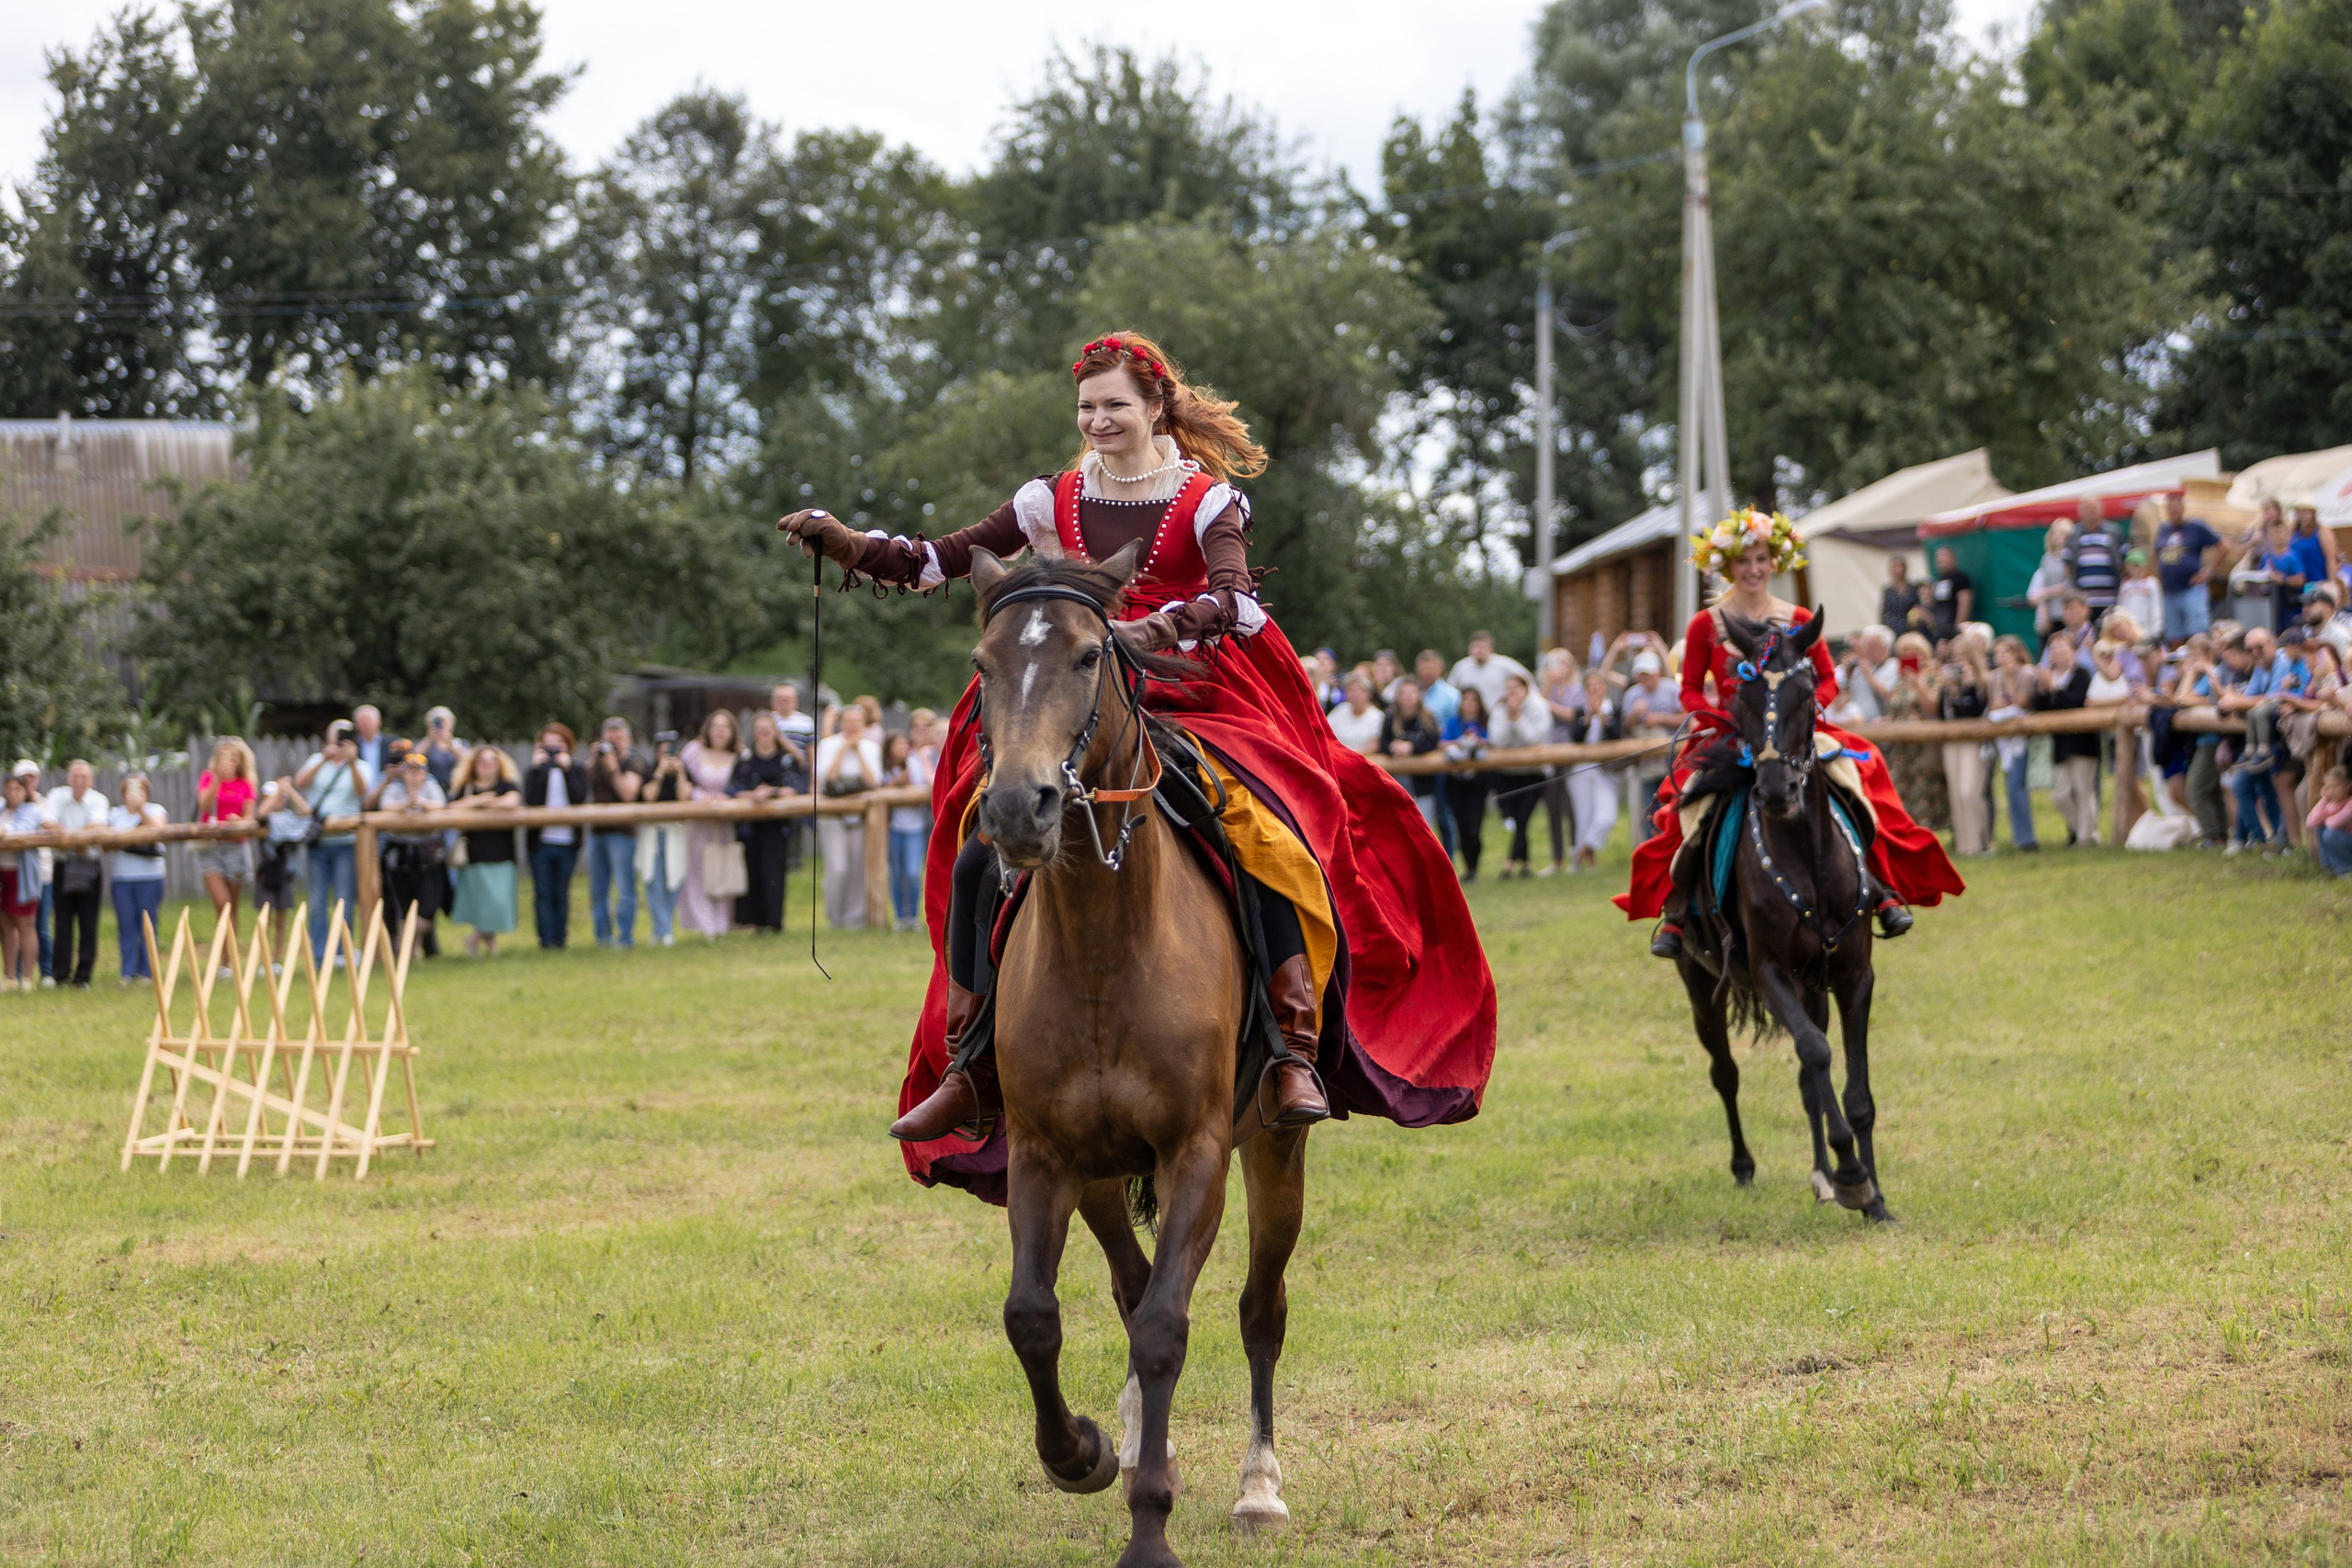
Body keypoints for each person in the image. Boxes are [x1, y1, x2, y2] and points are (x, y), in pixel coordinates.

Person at [784, 328, 1490, 1156]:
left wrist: (1158, 627)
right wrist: (849, 544)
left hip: (1194, 694)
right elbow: (939, 560)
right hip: (1075, 696)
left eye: (1115, 404)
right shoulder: (1051, 497)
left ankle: (1292, 1047)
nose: (1098, 420)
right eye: (1087, 407)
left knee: (1262, 832)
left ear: (1156, 406)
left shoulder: (1206, 500)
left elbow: (1238, 601)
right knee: (981, 849)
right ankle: (970, 1067)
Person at [1626, 509, 1962, 956]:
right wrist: (1718, 720)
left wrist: (1808, 709)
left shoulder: (1800, 616)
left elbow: (1826, 677)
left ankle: (1881, 892)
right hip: (1727, 737)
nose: (1752, 569)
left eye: (1761, 559)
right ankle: (1679, 916)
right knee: (1687, 808)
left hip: (1794, 735)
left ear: (1774, 562)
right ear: (1728, 566)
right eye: (1743, 561)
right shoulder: (1705, 624)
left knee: (1857, 781)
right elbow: (1688, 689)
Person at [295, 721, 370, 961]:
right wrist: (322, 760)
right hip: (318, 843)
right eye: (334, 739)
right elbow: (300, 782)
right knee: (317, 902)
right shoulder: (317, 761)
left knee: (344, 900)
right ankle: (319, 955)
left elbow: (362, 791)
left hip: (345, 843)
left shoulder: (360, 766)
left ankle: (342, 952)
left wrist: (351, 762)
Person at [731, 710, 804, 933]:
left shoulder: (786, 759)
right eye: (760, 731)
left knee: (774, 872)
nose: (764, 735)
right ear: (754, 734)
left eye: (768, 730)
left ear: (775, 733)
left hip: (777, 825)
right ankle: (756, 923)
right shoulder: (745, 759)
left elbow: (797, 787)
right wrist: (753, 795)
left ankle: (775, 922)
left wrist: (772, 792)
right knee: (753, 871)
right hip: (750, 826)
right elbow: (733, 788)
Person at [447, 743, 521, 958]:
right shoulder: (467, 786)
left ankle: (478, 939)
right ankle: (486, 944)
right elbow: (452, 807)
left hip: (502, 851)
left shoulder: (506, 784)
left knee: (498, 901)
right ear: (473, 765)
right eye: (483, 761)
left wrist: (482, 805)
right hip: (475, 853)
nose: (488, 765)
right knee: (483, 902)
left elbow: (512, 802)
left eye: (492, 761)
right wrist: (480, 800)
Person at [813, 702, 881, 929]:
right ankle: (835, 917)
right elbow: (828, 779)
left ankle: (856, 918)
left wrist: (858, 750)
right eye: (848, 721)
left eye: (856, 722)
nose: (852, 726)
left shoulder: (871, 747)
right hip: (833, 815)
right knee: (838, 867)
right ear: (841, 723)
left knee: (857, 866)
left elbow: (873, 781)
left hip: (862, 814)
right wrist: (844, 748)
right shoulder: (828, 745)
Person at [375, 747, 448, 954]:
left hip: (428, 852)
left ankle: (410, 946)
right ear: (404, 772)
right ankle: (408, 952)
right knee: (401, 904)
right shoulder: (395, 787)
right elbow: (385, 807)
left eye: (418, 770)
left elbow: (441, 805)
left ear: (425, 772)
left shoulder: (432, 786)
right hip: (400, 853)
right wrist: (409, 802)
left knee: (428, 906)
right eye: (410, 770)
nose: (415, 774)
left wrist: (420, 802)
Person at [585, 716, 650, 949]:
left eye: (619, 738)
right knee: (597, 889)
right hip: (597, 832)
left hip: (623, 834)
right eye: (609, 740)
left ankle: (625, 938)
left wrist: (612, 766)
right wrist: (595, 760)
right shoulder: (598, 762)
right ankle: (602, 937)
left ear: (628, 739)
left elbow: (628, 794)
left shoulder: (634, 761)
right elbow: (580, 785)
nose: (614, 743)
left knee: (625, 889)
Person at [43, 759, 108, 987]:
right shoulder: (56, 795)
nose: (79, 781)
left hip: (89, 866)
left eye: (84, 777)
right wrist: (78, 840)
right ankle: (60, 974)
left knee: (88, 922)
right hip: (63, 865)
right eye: (75, 777)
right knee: (62, 921)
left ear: (90, 780)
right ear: (68, 779)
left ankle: (83, 977)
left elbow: (98, 826)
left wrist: (67, 839)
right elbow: (47, 822)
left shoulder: (99, 799)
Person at [677, 709, 741, 940]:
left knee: (722, 867)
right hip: (698, 819)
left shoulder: (738, 756)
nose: (720, 732)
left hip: (724, 822)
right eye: (716, 726)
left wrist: (728, 798)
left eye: (725, 727)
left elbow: (742, 785)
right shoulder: (693, 752)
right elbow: (682, 783)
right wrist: (700, 797)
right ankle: (702, 923)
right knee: (697, 870)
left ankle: (722, 922)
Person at [523, 723, 586, 949]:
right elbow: (531, 799)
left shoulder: (577, 769)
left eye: (558, 744)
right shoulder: (535, 771)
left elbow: (579, 798)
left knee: (561, 891)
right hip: (541, 842)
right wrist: (538, 768)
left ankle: (561, 939)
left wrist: (567, 770)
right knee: (543, 892)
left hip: (567, 841)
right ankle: (546, 940)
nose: (553, 749)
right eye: (548, 744)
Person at [2035, 634, 2100, 845]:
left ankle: (2085, 837)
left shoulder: (2082, 674)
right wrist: (2043, 690)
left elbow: (2076, 701)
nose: (2058, 654)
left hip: (2082, 742)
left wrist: (2054, 687)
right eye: (2054, 650)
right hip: (2060, 744)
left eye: (2063, 649)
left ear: (2073, 651)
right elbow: (2041, 709)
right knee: (2060, 794)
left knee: (2083, 790)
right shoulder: (2048, 676)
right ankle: (2080, 829)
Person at [196, 737, 259, 948]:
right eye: (224, 756)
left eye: (234, 757)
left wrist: (238, 821)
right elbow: (204, 807)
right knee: (222, 904)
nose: (229, 761)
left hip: (236, 847)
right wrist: (217, 780)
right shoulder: (207, 778)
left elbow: (250, 818)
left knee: (232, 906)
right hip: (211, 847)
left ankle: (227, 959)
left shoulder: (246, 784)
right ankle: (223, 959)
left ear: (240, 760)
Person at [1489, 671, 1554, 877]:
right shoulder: (1499, 709)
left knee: (1523, 816)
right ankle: (1525, 864)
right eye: (1508, 689)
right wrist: (1509, 718)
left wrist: (1517, 719)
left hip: (1534, 771)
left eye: (1516, 689)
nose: (1512, 694)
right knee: (1516, 817)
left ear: (1526, 689)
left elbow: (1535, 738)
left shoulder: (1538, 706)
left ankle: (1509, 863)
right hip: (1507, 772)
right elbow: (1497, 740)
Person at [106, 773, 169, 981]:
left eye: (140, 789)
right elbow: (106, 844)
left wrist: (141, 809)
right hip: (123, 878)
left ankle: (148, 971)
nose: (135, 794)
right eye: (131, 789)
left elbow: (159, 831)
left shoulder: (156, 810)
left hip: (150, 876)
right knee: (126, 924)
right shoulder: (115, 814)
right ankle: (128, 971)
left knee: (148, 922)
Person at [1563, 670, 1623, 874]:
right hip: (1581, 768)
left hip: (1606, 769)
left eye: (1598, 685)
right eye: (1590, 686)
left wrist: (1604, 719)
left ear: (1605, 687)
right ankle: (1585, 864)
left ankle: (1583, 849)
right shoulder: (1580, 712)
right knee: (1584, 815)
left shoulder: (1614, 710)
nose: (1595, 690)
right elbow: (1575, 738)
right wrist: (1588, 720)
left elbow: (1617, 736)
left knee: (1607, 816)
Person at [1621, 648, 1680, 847]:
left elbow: (1685, 717)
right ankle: (1651, 844)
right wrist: (1634, 715)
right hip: (1646, 761)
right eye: (1641, 675)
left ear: (1657, 672)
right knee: (1649, 806)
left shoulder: (1672, 689)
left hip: (1671, 757)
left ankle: (1670, 843)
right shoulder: (1632, 695)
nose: (1644, 679)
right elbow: (1625, 727)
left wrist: (1660, 718)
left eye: (1647, 674)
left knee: (1670, 803)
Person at [1986, 636, 2041, 852]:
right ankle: (2020, 836)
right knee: (2011, 787)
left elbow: (2021, 701)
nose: (2001, 658)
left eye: (2005, 653)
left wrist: (2009, 683)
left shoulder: (2027, 673)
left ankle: (2026, 839)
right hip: (2002, 738)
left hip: (2023, 737)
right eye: (1998, 653)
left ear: (2016, 653)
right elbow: (1994, 704)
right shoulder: (1993, 677)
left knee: (2015, 787)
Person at [636, 734, 690, 946]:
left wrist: (679, 773)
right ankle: (663, 931)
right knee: (653, 881)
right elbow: (648, 796)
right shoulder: (649, 772)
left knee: (673, 880)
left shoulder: (683, 772)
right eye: (663, 752)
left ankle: (664, 930)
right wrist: (660, 772)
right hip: (652, 832)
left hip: (675, 832)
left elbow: (684, 796)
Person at [253, 774, 311, 964]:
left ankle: (276, 958)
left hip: (284, 873)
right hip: (268, 873)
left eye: (279, 797)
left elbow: (307, 811)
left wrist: (289, 791)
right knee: (265, 917)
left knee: (280, 918)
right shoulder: (266, 819)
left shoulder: (290, 818)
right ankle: (263, 958)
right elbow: (261, 813)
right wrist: (278, 789)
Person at [881, 730, 933, 932]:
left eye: (905, 744)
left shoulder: (914, 763)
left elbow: (923, 788)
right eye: (897, 745)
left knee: (912, 872)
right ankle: (900, 917)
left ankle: (913, 915)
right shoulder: (883, 766)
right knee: (896, 872)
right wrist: (893, 785)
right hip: (892, 827)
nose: (902, 748)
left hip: (914, 827)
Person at [2154, 491, 2222, 644]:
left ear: (2183, 508)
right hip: (2170, 591)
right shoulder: (2163, 529)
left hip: (2192, 589)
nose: (2174, 511)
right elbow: (2155, 551)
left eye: (2176, 508)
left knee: (2197, 634)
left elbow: (2223, 546)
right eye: (2170, 508)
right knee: (2174, 636)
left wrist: (2208, 571)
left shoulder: (2196, 527)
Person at [1442, 686, 1495, 880]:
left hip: (1478, 780)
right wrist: (1460, 742)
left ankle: (1474, 863)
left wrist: (1479, 742)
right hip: (1456, 780)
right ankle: (1469, 868)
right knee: (1461, 825)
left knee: (1474, 826)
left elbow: (1493, 740)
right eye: (1466, 700)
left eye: (1474, 700)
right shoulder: (1454, 722)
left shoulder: (1486, 721)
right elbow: (1442, 742)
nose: (1470, 704)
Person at [2, 771, 48, 990]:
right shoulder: (1, 810)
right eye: (9, 789)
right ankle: (10, 977)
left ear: (25, 791)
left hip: (23, 875)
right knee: (6, 924)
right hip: (3, 873)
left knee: (25, 925)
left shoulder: (32, 810)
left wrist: (4, 831)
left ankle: (28, 978)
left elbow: (22, 832)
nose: (12, 794)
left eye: (17, 789)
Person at [1380, 677, 1443, 831]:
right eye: (1404, 693)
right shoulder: (1390, 718)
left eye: (1412, 693)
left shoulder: (1428, 717)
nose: (1408, 697)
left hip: (1423, 785)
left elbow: (1432, 742)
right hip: (1397, 783)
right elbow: (1383, 744)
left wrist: (1412, 747)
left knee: (1424, 829)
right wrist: (1394, 747)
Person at [1448, 630, 1534, 716]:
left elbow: (1527, 679)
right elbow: (1450, 691)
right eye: (1476, 647)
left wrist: (1530, 702)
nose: (1479, 650)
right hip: (1471, 720)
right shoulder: (1461, 667)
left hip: (1497, 717)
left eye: (1483, 647)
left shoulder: (1504, 665)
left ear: (1491, 649)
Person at [2065, 499, 2125, 620]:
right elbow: (2067, 565)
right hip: (2084, 601)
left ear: (2101, 511)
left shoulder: (2114, 531)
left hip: (2111, 598)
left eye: (2094, 508)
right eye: (2087, 509)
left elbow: (2124, 560)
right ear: (2080, 512)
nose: (2091, 512)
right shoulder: (2073, 534)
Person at [2026, 521, 2075, 638]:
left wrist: (2045, 593)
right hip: (2050, 615)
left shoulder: (2072, 557)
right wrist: (2044, 611)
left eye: (2063, 533)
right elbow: (2042, 585)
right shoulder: (2046, 558)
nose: (2059, 537)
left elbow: (2068, 586)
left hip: (2066, 613)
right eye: (2056, 533)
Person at [1326, 671, 1385, 755]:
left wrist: (1349, 755)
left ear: (1368, 693)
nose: (1354, 694)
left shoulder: (1377, 716)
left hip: (1362, 759)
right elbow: (1325, 732)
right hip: (1335, 756)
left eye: (1357, 690)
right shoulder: (1340, 710)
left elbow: (1373, 746)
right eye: (1349, 691)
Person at [2308, 765, 2352, 877]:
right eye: (2328, 787)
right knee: (2320, 829)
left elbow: (2333, 824)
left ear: (2348, 786)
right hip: (2344, 841)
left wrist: (2325, 817)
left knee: (2329, 834)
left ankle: (2345, 869)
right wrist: (2324, 799)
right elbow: (2310, 822)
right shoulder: (2330, 805)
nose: (2331, 791)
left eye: (2335, 786)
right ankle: (2329, 869)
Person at [2115, 549, 2163, 641]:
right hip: (2128, 629)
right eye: (2132, 566)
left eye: (2137, 565)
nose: (2135, 569)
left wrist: (2156, 629)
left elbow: (2156, 607)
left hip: (2146, 628)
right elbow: (2120, 606)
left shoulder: (2151, 583)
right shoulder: (2125, 584)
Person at [1927, 546, 1973, 640]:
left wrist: (1958, 627)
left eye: (1944, 556)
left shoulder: (1960, 578)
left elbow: (1965, 600)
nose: (1940, 559)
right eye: (1938, 557)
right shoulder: (1937, 579)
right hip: (1939, 629)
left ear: (1953, 558)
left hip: (1953, 628)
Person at [420, 707, 463, 791]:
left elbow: (467, 760)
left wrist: (450, 742)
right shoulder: (425, 744)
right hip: (430, 788)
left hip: (455, 787)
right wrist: (429, 739)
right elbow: (415, 758)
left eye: (444, 723)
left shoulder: (459, 743)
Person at [1880, 554, 1923, 634]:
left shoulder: (1913, 588)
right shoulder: (1888, 590)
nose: (1898, 569)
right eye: (1895, 566)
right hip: (1892, 629)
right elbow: (1884, 611)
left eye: (1900, 566)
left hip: (1910, 628)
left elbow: (1918, 607)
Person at [350, 704, 389, 780]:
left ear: (378, 722)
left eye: (368, 720)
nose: (365, 724)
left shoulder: (390, 744)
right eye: (361, 721)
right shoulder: (352, 745)